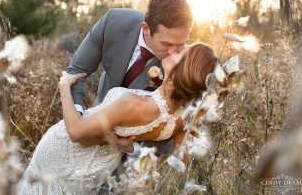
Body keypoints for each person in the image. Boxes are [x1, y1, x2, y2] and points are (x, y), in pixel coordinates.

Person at [17, 43, 218, 194]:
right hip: (98, 169)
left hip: (64, 152)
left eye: (181, 52)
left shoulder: (133, 103)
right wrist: (127, 147)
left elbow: (75, 132)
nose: (174, 50)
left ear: (185, 70)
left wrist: (64, 88)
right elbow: (180, 164)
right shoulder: (184, 120)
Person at [67, 0, 193, 154]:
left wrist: (132, 148)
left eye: (181, 44)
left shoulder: (184, 64)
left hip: (131, 155)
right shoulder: (114, 22)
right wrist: (78, 118)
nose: (173, 53)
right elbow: (77, 70)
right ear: (146, 29)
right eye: (167, 44)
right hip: (96, 114)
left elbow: (173, 128)